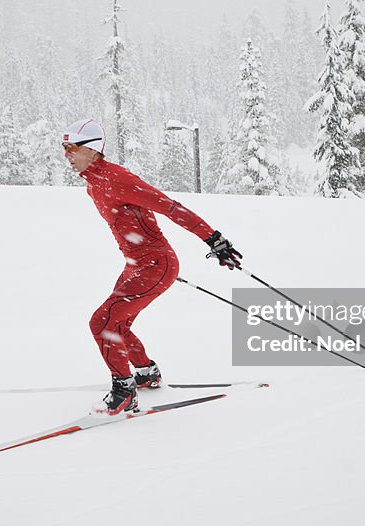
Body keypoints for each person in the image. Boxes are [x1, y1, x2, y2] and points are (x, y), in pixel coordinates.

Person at [61, 119, 242, 415]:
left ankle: (123, 391)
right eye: (64, 147)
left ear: (93, 150)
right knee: (118, 323)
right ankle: (146, 374)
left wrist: (213, 238)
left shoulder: (116, 178)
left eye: (72, 147)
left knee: (103, 323)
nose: (66, 154)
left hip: (155, 264)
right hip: (137, 263)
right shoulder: (94, 183)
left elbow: (169, 206)